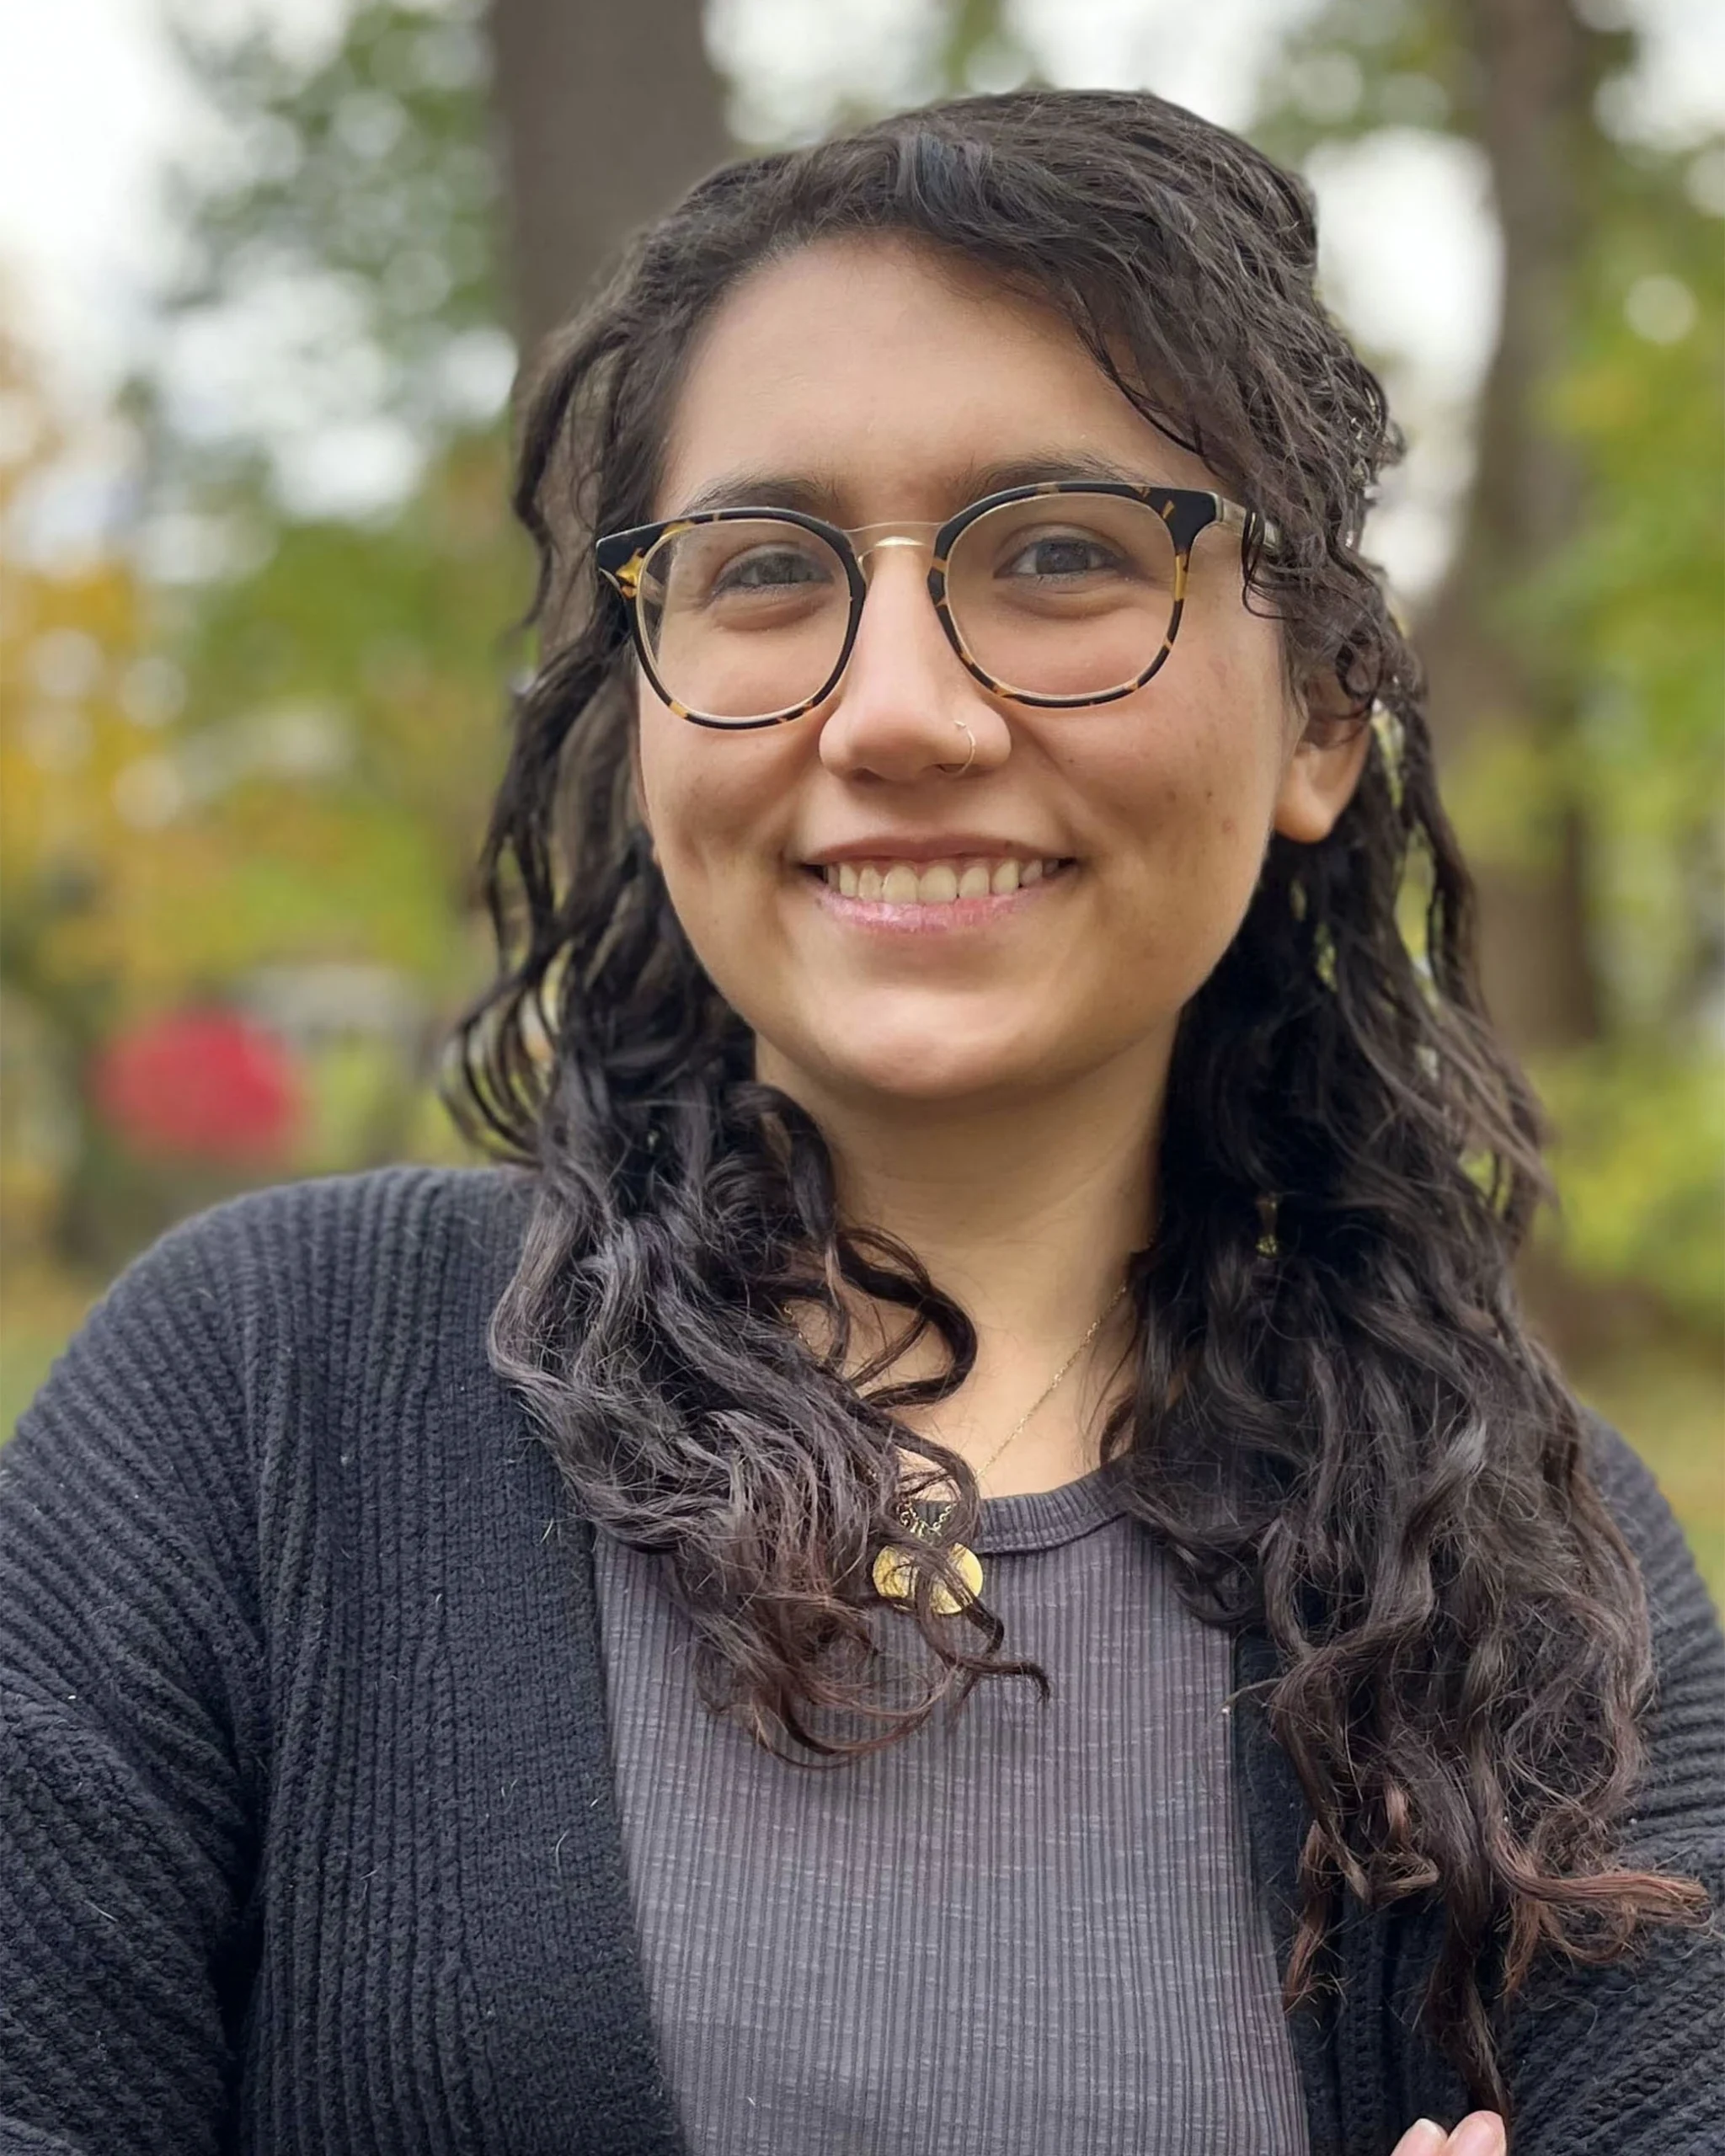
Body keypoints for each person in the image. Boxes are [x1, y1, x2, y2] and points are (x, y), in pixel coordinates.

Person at [1, 88, 1719, 2156]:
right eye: (762, 570)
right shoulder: (262, 1408)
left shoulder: (1540, 1577)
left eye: (1063, 552)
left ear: (1325, 716)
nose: (894, 708)